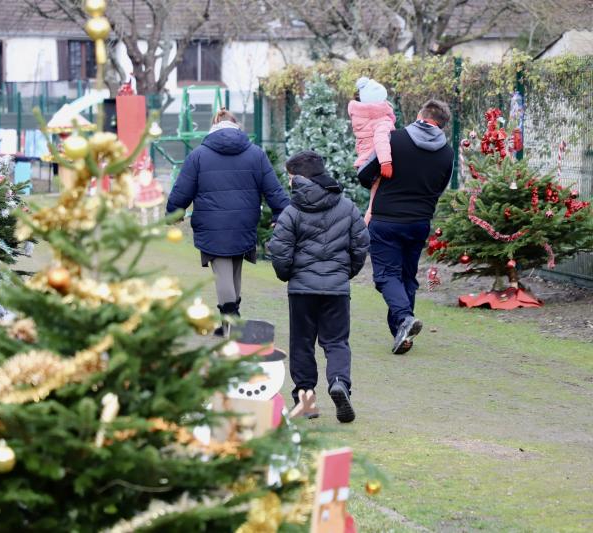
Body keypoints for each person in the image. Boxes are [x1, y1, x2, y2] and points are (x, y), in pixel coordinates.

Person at [166, 109, 289, 335]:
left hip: (212, 224)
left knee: (222, 273)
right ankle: (227, 325)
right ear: (237, 126)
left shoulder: (199, 155)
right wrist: (281, 213)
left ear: (214, 126)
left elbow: (183, 188)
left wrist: (174, 211)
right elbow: (273, 189)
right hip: (244, 221)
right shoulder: (255, 154)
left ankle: (233, 320)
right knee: (234, 272)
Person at [268, 151, 369, 423]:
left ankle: (306, 400)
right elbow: (361, 245)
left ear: (300, 178)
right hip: (336, 289)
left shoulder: (292, 211)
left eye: (290, 177)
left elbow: (279, 250)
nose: (289, 182)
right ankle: (339, 383)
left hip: (302, 290)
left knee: (302, 344)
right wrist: (344, 273)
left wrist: (288, 274)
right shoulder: (347, 207)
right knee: (336, 342)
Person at [358, 99, 454, 355]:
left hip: (386, 220)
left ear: (419, 114)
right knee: (406, 278)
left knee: (386, 276)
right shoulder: (447, 152)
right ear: (443, 124)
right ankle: (402, 334)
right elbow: (440, 188)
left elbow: (364, 174)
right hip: (419, 223)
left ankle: (403, 320)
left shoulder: (392, 139)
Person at [347, 77, 397, 225]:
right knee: (374, 205)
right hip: (376, 162)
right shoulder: (381, 120)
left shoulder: (361, 115)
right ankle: (366, 230)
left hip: (365, 160)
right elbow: (381, 140)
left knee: (375, 200)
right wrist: (386, 162)